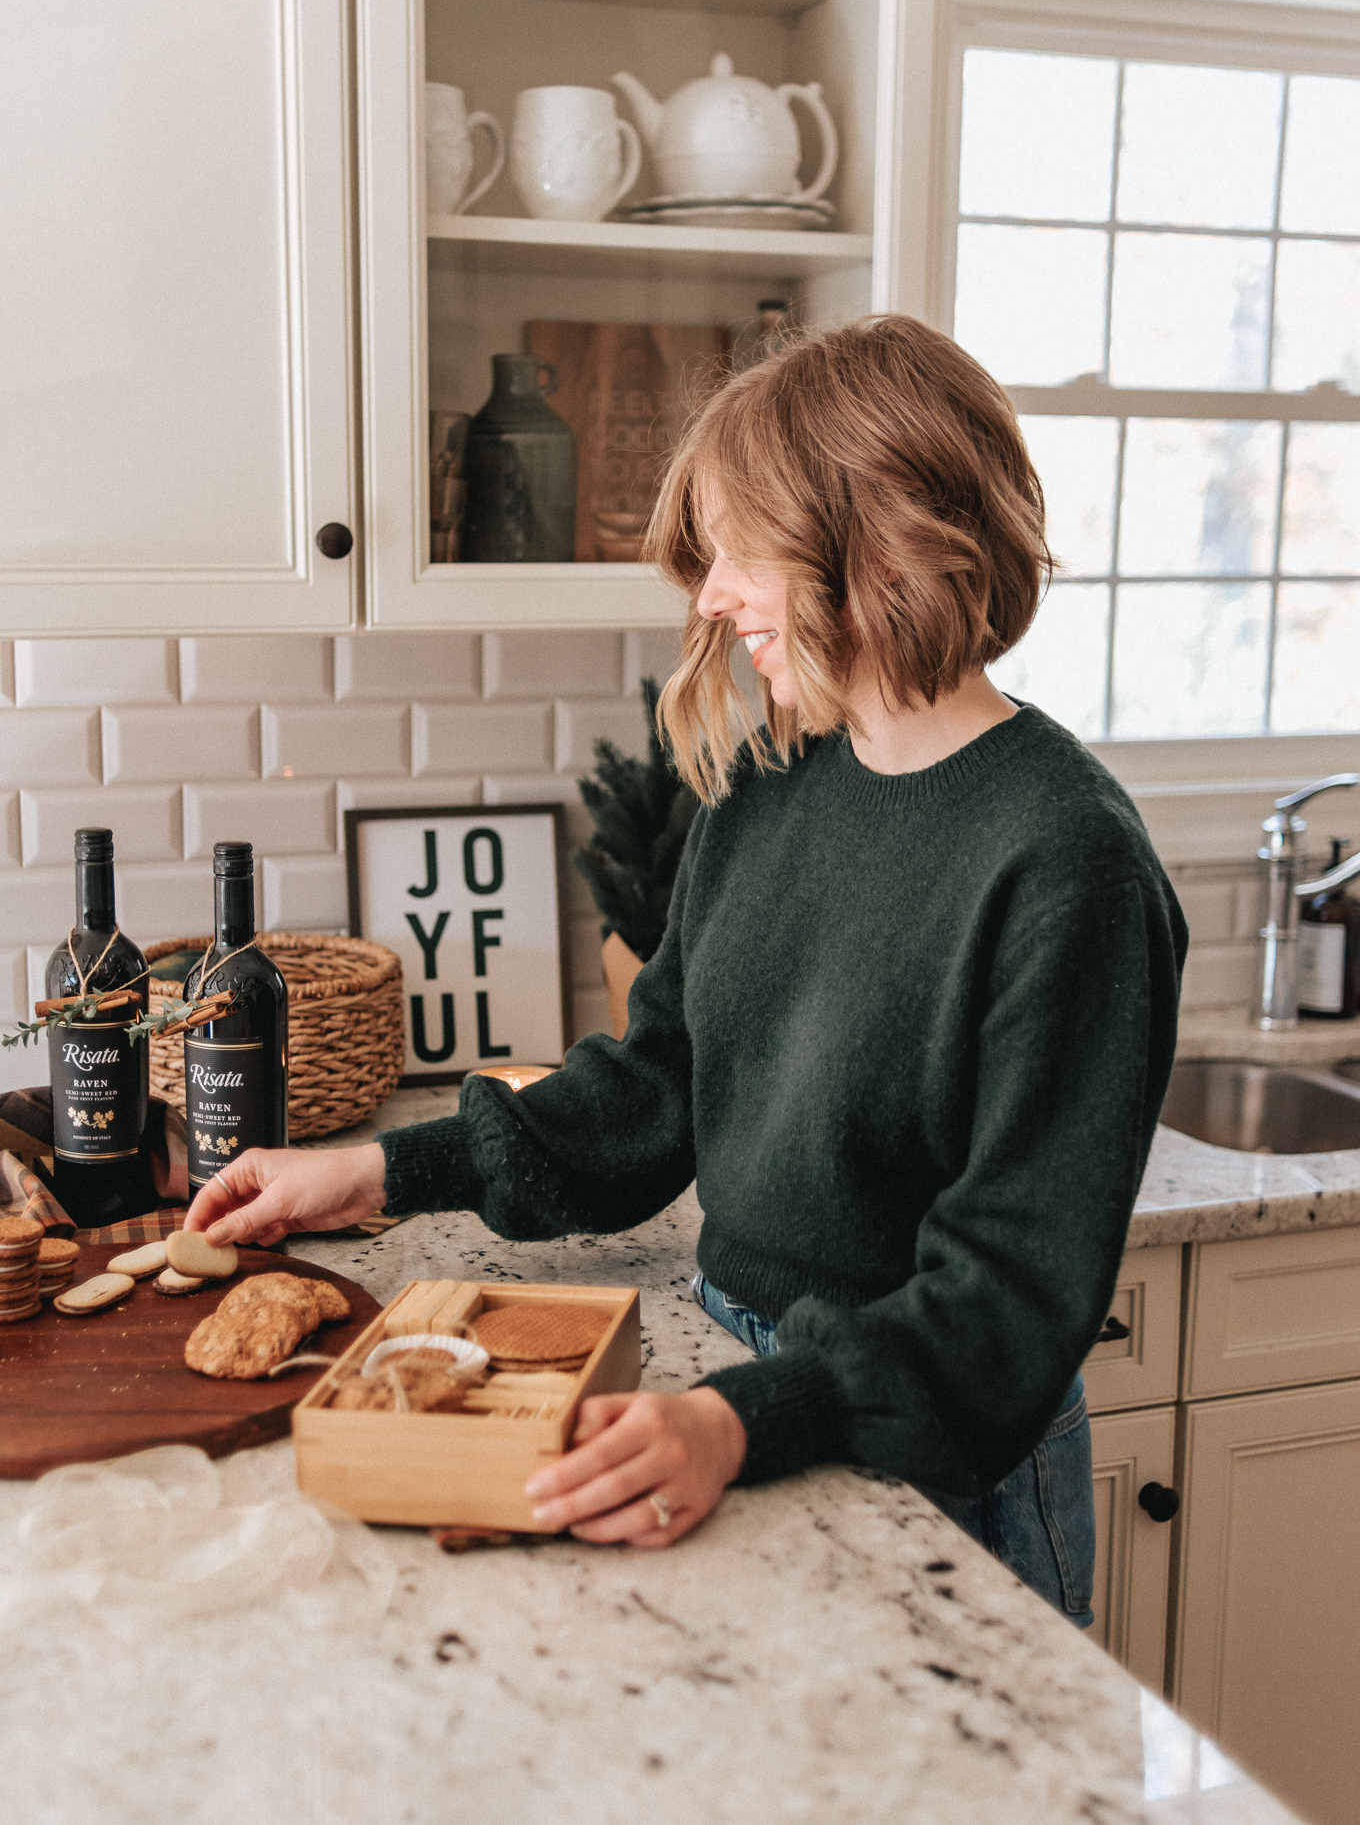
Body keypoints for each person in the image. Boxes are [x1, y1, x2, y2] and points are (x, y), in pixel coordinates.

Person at [185, 315, 1186, 1622]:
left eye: (739, 551)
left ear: (873, 536)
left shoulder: (1068, 862)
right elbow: (656, 1087)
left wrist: (739, 1419)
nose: (710, 597)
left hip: (926, 1449)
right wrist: (379, 1170)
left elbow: (1007, 1298)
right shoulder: (774, 781)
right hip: (731, 1379)